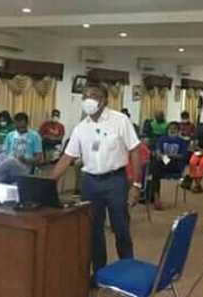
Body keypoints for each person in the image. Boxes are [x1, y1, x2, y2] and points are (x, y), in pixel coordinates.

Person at [50, 84, 141, 277]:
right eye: (85, 96)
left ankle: (128, 270)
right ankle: (99, 272)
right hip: (90, 183)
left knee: (121, 228)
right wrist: (49, 182)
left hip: (115, 180)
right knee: (93, 231)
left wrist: (136, 184)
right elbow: (67, 157)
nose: (88, 100)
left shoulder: (120, 120)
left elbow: (134, 151)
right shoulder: (81, 128)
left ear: (104, 100)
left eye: (93, 96)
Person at [0, 112, 42, 183]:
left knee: (11, 160)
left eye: (22, 127)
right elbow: (5, 153)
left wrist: (26, 160)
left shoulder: (35, 136)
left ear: (27, 124)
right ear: (15, 124)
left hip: (24, 167)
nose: (20, 130)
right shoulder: (10, 135)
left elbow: (39, 157)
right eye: (18, 127)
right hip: (8, 166)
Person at [150, 122, 188, 209]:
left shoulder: (182, 141)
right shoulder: (162, 139)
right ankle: (156, 198)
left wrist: (167, 155)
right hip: (163, 163)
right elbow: (158, 150)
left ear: (178, 130)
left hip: (175, 165)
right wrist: (160, 155)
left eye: (174, 128)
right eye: (170, 128)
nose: (172, 130)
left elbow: (182, 156)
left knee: (155, 168)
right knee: (155, 163)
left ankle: (155, 198)